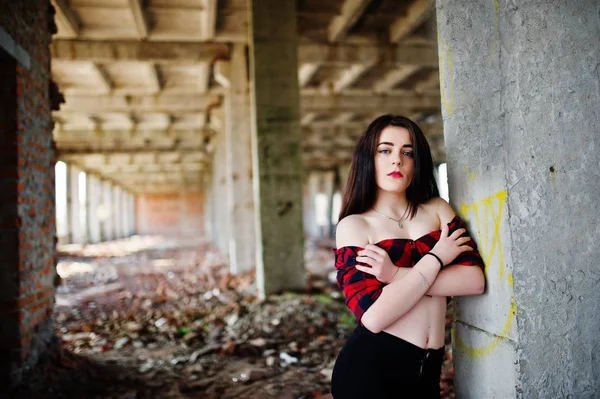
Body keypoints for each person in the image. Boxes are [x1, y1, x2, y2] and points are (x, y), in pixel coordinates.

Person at [330, 115, 486, 399]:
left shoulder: (436, 209)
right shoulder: (355, 226)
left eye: (408, 152)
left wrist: (395, 275)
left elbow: (473, 281)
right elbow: (375, 316)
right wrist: (437, 257)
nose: (397, 160)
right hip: (373, 369)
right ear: (369, 159)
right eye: (385, 150)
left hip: (429, 369)